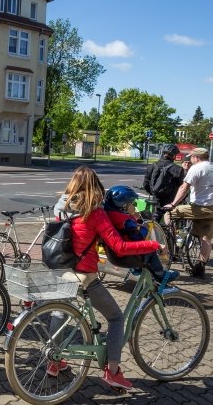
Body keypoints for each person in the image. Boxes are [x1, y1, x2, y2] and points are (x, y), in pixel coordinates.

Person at [53, 166, 163, 390]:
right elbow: (120, 247)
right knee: (115, 318)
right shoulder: (95, 212)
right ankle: (113, 372)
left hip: (60, 268)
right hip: (84, 274)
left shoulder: (62, 205)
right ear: (96, 186)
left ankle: (53, 362)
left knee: (59, 310)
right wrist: (153, 245)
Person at [164, 147, 213, 278]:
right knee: (206, 238)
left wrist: (173, 204)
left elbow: (184, 187)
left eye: (191, 157)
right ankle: (200, 267)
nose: (190, 159)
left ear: (196, 157)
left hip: (201, 208)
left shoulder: (196, 168)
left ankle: (172, 242)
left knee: (169, 213)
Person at [103, 185, 179, 283]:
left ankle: (137, 269)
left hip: (114, 255)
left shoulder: (109, 216)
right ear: (124, 206)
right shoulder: (126, 222)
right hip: (128, 255)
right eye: (133, 204)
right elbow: (139, 236)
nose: (135, 206)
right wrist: (141, 225)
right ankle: (160, 274)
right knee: (150, 250)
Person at [143, 144, 185, 220]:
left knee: (155, 218)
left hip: (156, 198)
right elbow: (182, 186)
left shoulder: (152, 166)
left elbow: (145, 184)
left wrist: (153, 192)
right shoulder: (178, 169)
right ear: (174, 156)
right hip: (171, 199)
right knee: (169, 219)